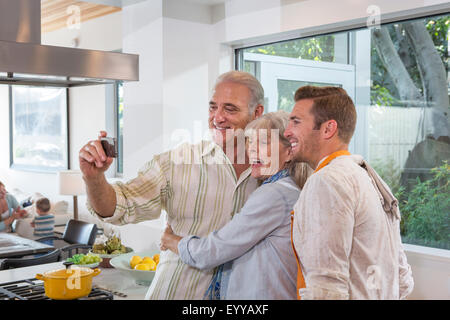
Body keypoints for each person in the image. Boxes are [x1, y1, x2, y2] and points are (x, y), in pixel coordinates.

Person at [79, 71, 265, 299]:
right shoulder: (176, 163)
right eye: (212, 107)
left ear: (257, 113)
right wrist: (94, 178)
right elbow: (120, 207)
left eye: (230, 108)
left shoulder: (274, 172)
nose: (217, 117)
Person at [160, 111, 312, 300]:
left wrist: (171, 240)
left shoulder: (274, 195)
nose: (253, 150)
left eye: (263, 142)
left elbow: (212, 252)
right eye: (250, 141)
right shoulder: (288, 190)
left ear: (289, 152)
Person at [284, 86, 414, 300]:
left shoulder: (326, 181)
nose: (287, 131)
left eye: (296, 122)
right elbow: (402, 280)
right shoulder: (370, 177)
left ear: (328, 129)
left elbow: (325, 289)